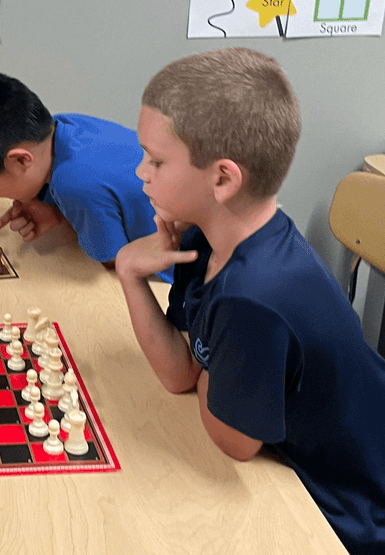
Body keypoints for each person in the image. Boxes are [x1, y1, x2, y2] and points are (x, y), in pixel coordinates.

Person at [115, 47, 385, 554]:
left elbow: (234, 443)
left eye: (155, 160)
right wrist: (130, 273)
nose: (139, 173)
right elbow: (180, 374)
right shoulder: (207, 241)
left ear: (222, 178)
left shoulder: (253, 297)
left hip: (349, 511)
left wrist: (210, 367)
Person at [0, 69, 170, 282]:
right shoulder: (66, 125)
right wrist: (56, 210)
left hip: (189, 271)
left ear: (21, 159)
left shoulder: (74, 184)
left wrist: (70, 209)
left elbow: (113, 260)